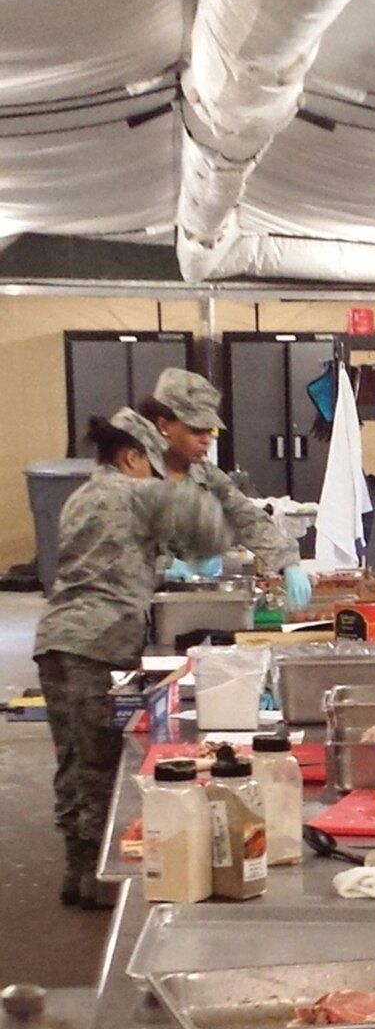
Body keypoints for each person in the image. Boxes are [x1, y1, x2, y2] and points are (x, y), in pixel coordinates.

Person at [33, 410, 231, 905]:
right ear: (132, 456)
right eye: (152, 463)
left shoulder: (81, 496)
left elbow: (110, 554)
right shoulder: (135, 491)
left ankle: (77, 868)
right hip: (98, 643)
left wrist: (162, 558)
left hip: (56, 637)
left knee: (72, 759)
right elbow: (206, 523)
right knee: (100, 761)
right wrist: (212, 538)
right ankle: (100, 878)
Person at [138, 368, 313, 611]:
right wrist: (164, 567)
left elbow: (247, 519)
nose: (206, 440)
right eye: (196, 430)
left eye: (209, 431)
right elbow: (111, 552)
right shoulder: (135, 474)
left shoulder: (206, 475)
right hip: (136, 612)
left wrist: (288, 562)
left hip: (185, 608)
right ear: (164, 425)